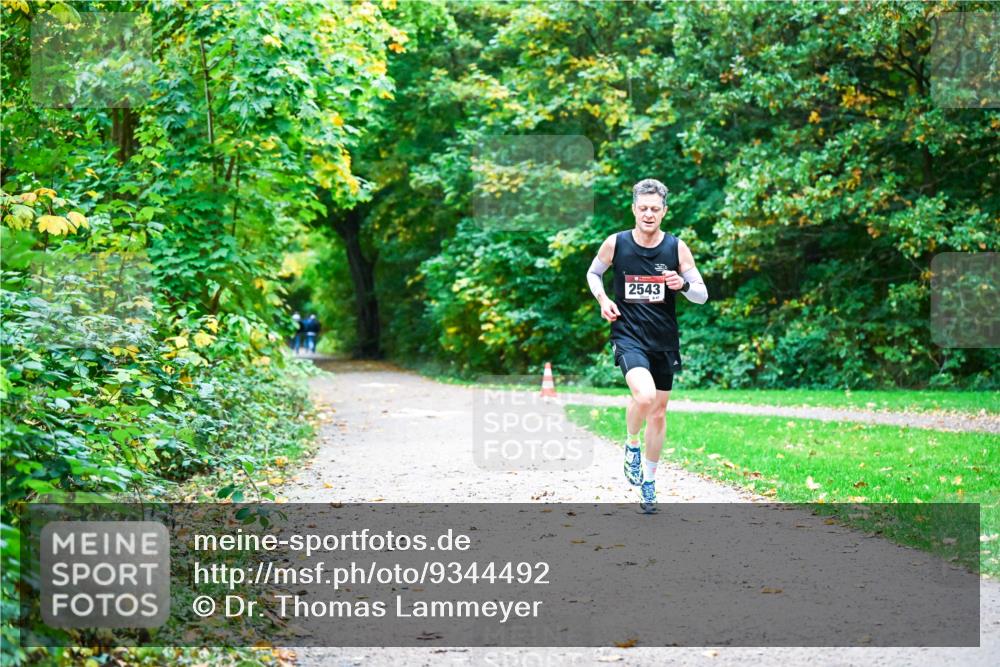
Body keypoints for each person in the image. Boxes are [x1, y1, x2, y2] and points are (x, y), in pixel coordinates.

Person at [585, 179, 708, 513]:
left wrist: (682, 284)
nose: (649, 214)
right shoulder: (617, 244)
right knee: (644, 396)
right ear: (634, 209)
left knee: (659, 413)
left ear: (664, 211)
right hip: (628, 335)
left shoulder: (676, 248)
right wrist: (602, 299)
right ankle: (631, 445)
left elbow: (702, 294)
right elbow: (593, 274)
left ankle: (649, 484)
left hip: (663, 340)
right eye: (643, 208)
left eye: (655, 209)